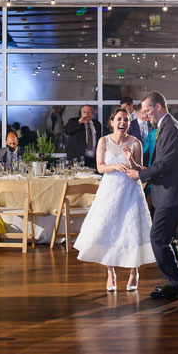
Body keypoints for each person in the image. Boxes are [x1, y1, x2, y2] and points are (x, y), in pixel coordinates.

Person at [127, 91, 178, 300]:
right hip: (170, 192)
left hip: (172, 192)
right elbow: (162, 161)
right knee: (168, 238)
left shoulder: (170, 128)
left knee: (158, 238)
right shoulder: (166, 127)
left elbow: (165, 164)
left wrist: (140, 175)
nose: (146, 115)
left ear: (159, 106)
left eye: (148, 110)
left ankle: (177, 282)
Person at [74, 108, 152, 291]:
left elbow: (140, 169)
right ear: (112, 122)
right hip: (110, 191)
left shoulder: (136, 143)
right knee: (109, 229)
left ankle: (134, 272)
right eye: (119, 119)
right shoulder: (104, 141)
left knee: (132, 230)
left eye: (125, 120)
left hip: (130, 191)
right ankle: (110, 273)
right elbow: (100, 167)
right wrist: (115, 165)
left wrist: (130, 159)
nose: (122, 123)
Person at [65, 105, 102, 170]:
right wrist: (79, 122)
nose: (86, 114)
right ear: (81, 113)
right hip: (79, 159)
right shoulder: (73, 121)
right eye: (84, 112)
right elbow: (67, 130)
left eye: (89, 112)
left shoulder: (97, 124)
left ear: (92, 113)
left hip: (93, 159)